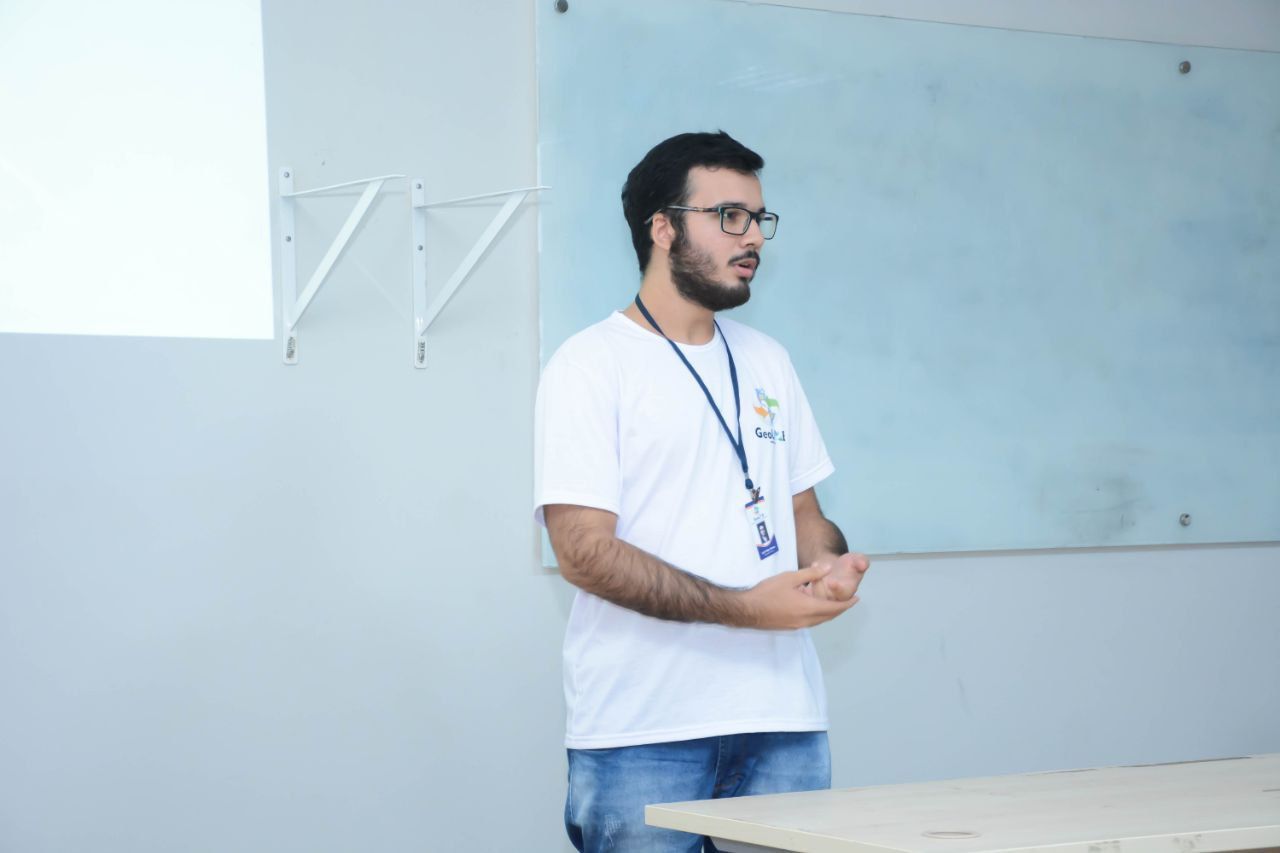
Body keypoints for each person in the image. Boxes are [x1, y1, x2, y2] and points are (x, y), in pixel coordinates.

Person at [534, 130, 870, 852]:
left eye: (758, 218)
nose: (752, 237)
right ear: (662, 228)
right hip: (644, 733)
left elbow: (805, 514)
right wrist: (747, 608)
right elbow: (584, 553)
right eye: (729, 216)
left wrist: (827, 566)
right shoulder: (589, 366)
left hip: (784, 723)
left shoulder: (768, 360)